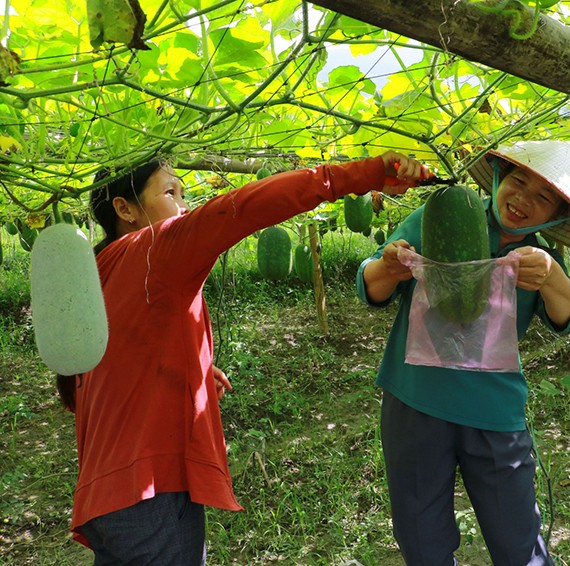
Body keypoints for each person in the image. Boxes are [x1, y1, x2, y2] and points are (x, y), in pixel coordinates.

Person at [56, 151, 427, 564]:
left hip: (107, 499)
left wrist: (188, 371)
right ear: (124, 209)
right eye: (170, 192)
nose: (185, 204)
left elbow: (111, 371)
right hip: (149, 497)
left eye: (184, 192)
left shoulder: (100, 271)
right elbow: (242, 208)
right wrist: (361, 174)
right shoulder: (155, 248)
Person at [356, 140, 570, 565]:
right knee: (421, 537)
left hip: (493, 411)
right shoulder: (441, 212)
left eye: (543, 197)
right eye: (517, 181)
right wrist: (389, 266)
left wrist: (551, 277)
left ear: (558, 213)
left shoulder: (540, 255)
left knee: (518, 543)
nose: (523, 199)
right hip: (416, 400)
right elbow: (371, 286)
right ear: (497, 178)